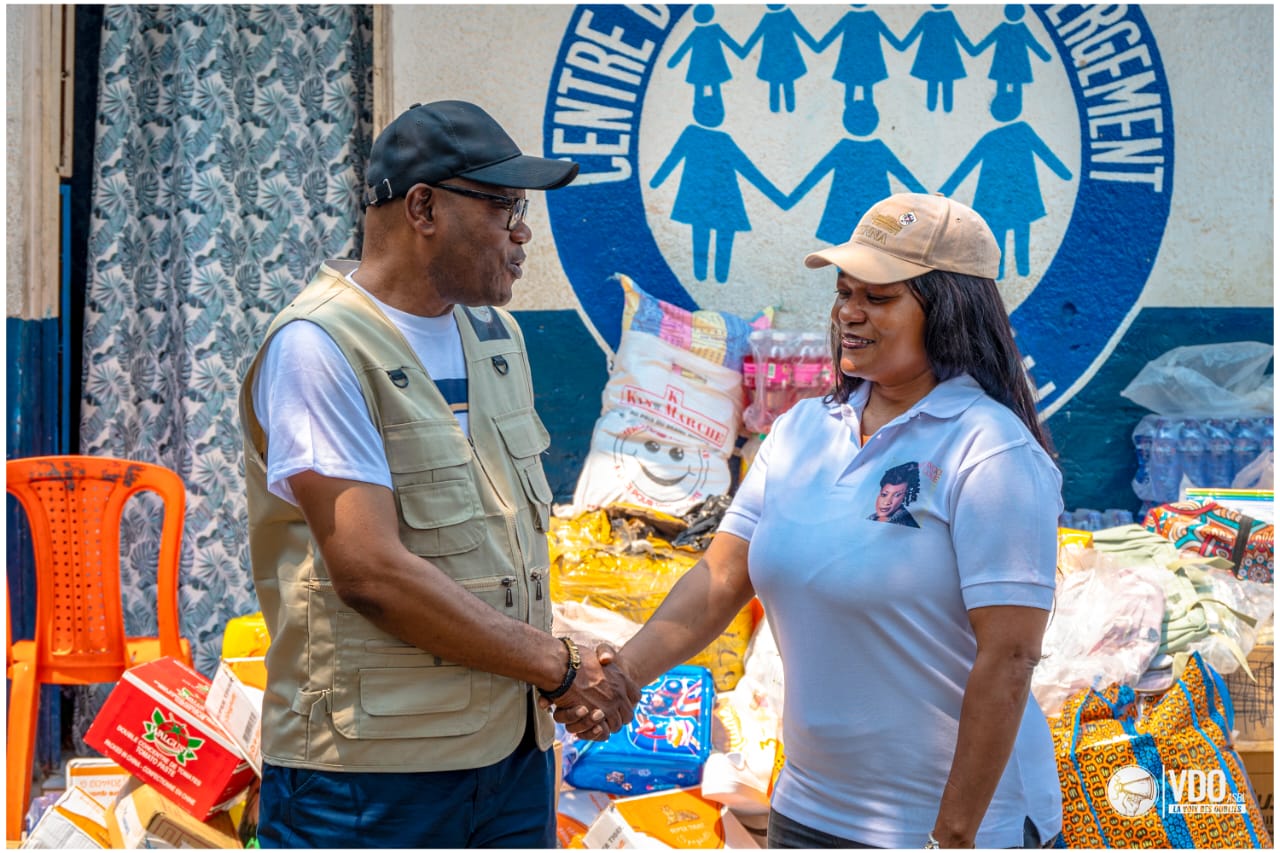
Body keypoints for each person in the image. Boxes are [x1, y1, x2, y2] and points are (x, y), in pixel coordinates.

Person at [558, 192, 1063, 848]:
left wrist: (954, 835)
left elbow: (1011, 656)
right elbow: (721, 576)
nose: (849, 312)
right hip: (807, 811)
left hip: (948, 827)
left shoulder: (989, 449)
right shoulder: (802, 430)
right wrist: (623, 676)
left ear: (949, 311)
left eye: (878, 297)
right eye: (844, 292)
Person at [238, 99, 640, 848]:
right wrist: (558, 666)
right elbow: (372, 573)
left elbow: (492, 547)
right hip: (373, 776)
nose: (522, 232)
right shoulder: (318, 346)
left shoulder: (495, 335)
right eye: (502, 207)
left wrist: (567, 659)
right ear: (422, 207)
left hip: (508, 758)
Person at [870, 461, 921, 527]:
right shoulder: (872, 517)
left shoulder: (905, 525)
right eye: (884, 494)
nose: (887, 502)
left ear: (905, 497)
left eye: (896, 495)